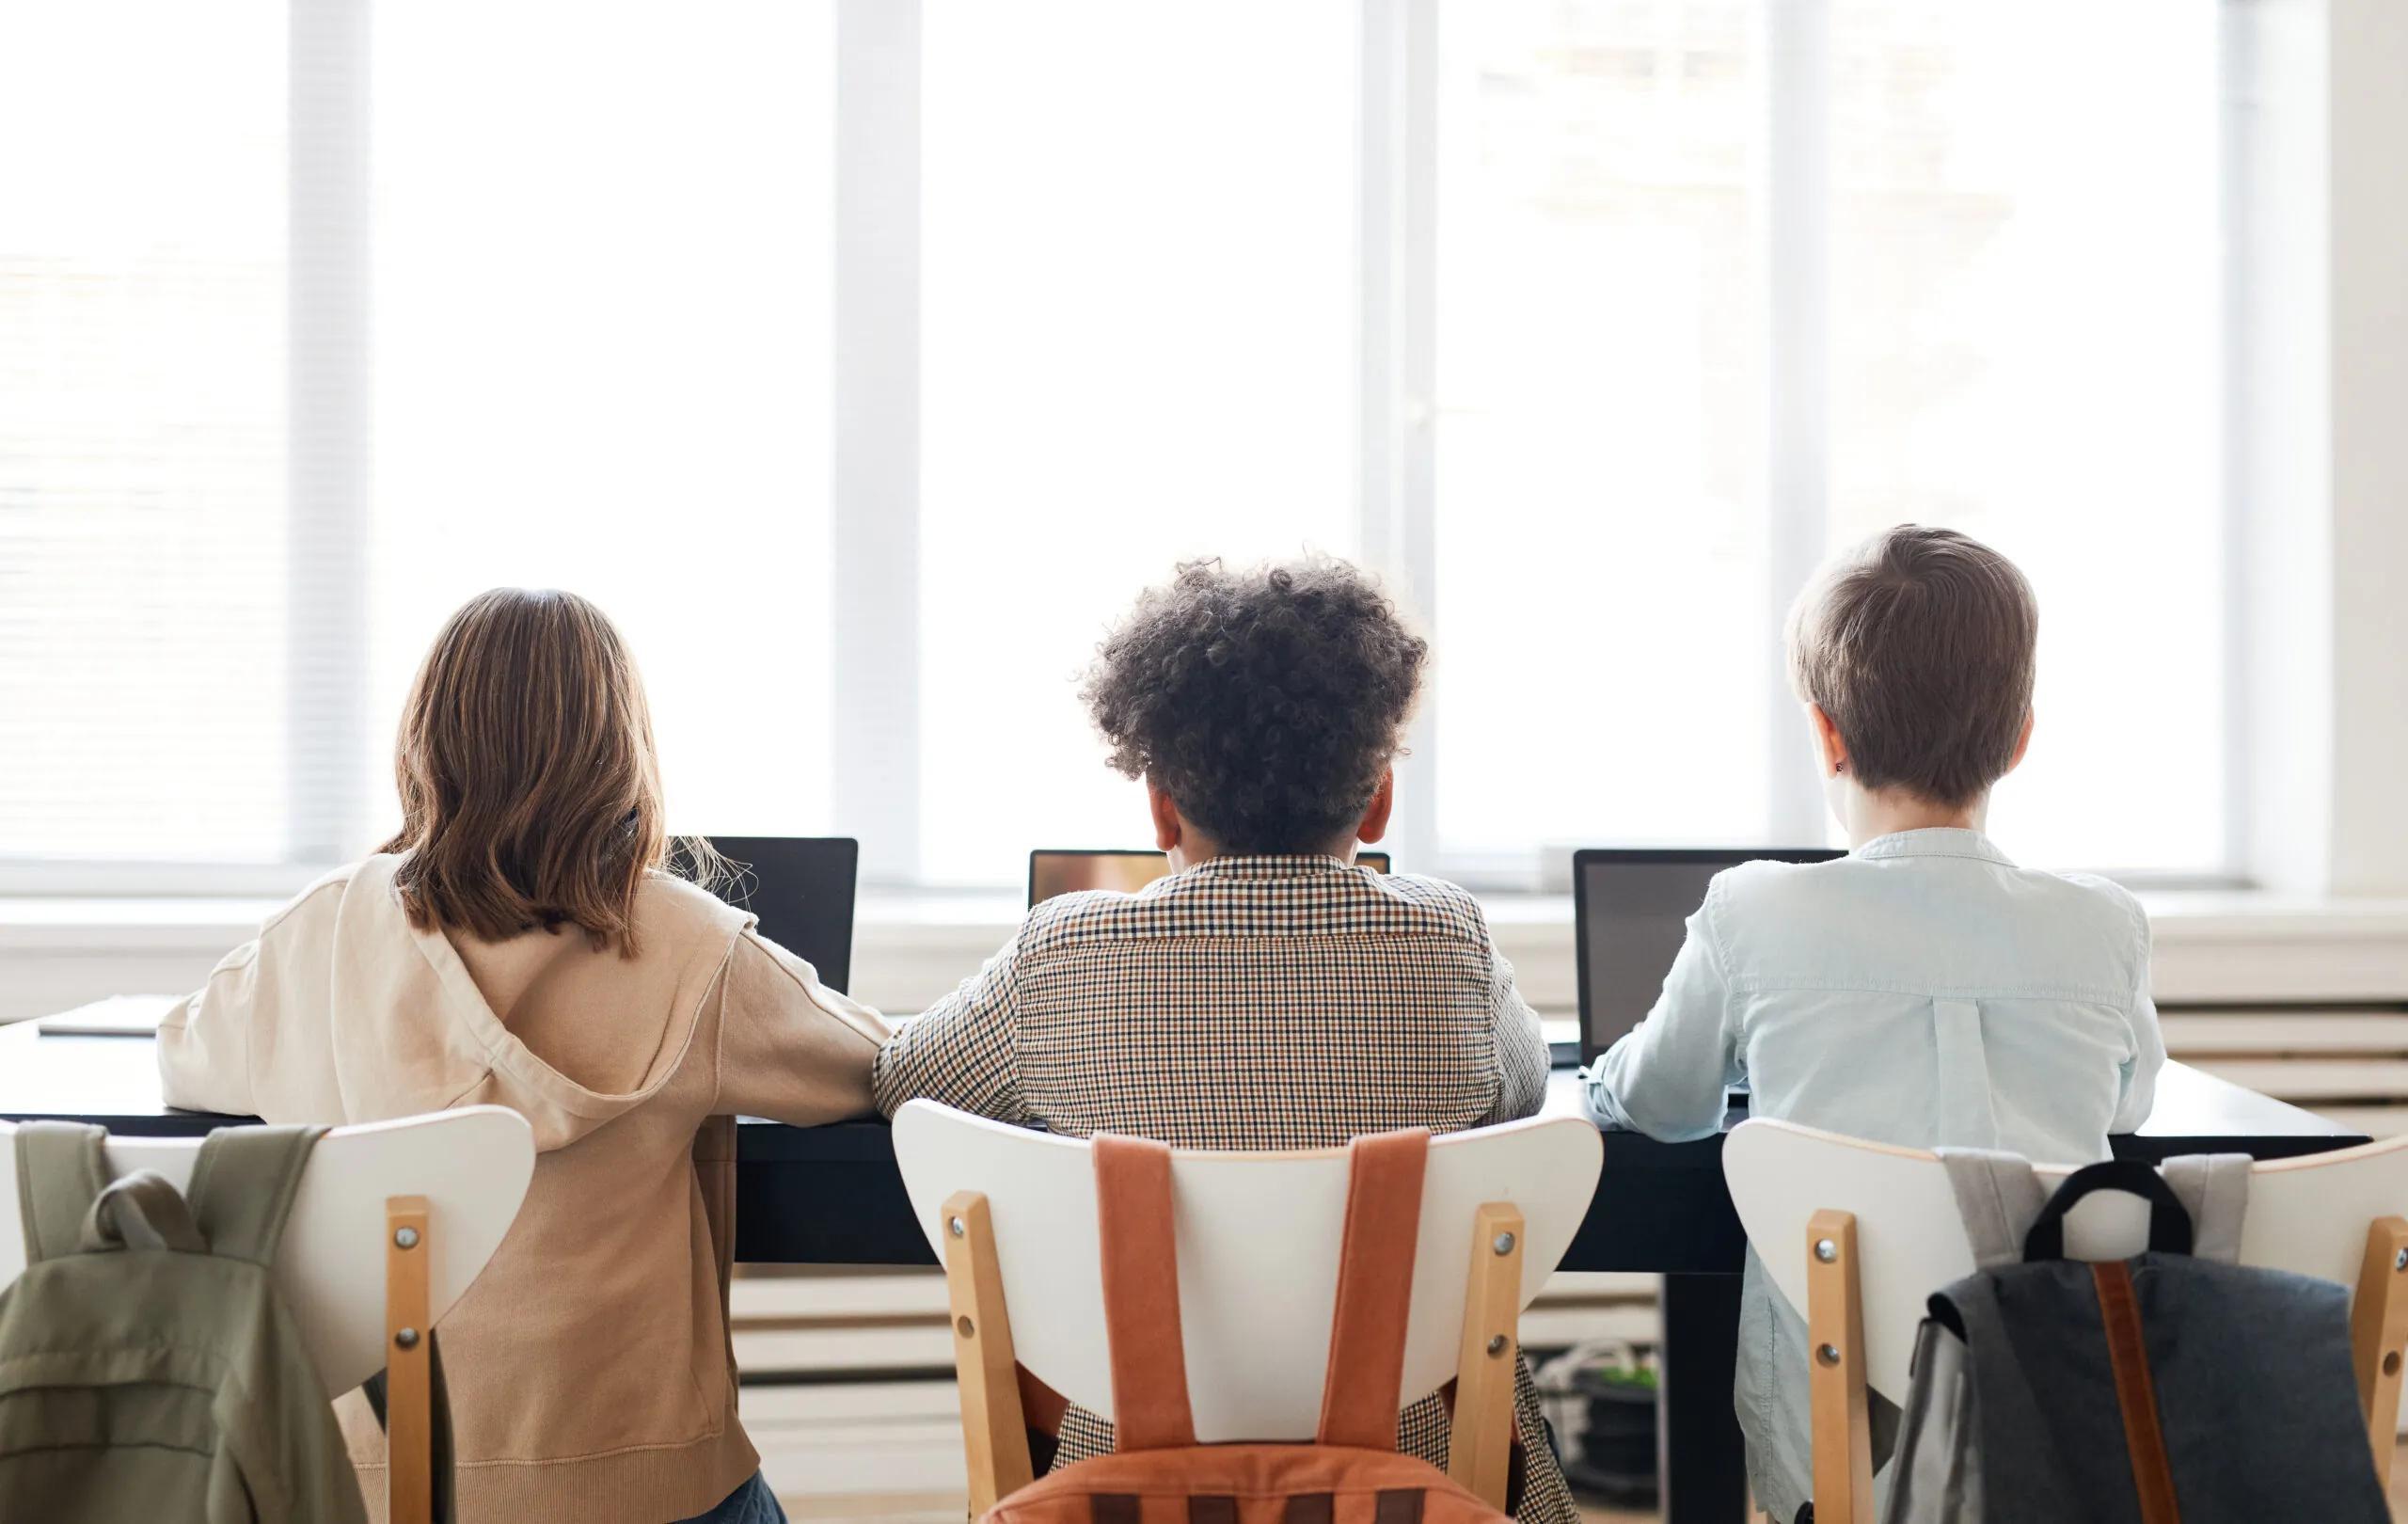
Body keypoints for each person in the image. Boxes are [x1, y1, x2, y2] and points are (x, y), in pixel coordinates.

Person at [159, 588, 887, 1524]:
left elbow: (184, 1052)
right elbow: (877, 1066)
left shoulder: (325, 927)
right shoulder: (691, 945)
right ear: (621, 743)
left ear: (428, 740)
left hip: (364, 1489)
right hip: (634, 1483)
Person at [873, 556, 1574, 1524]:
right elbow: (1521, 1093)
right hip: (1412, 1472)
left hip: (1125, 1476)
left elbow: (900, 1082)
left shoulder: (1062, 952)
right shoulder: (1446, 938)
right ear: (1376, 801)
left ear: (1159, 804)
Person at [1582, 524, 2167, 1524]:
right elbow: (2130, 1102)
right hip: (2047, 1416)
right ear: (2020, 737)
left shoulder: (1752, 910)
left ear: (1825, 734)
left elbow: (1664, 1105)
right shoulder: (2103, 924)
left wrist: (1606, 1076)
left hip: (1833, 1444)